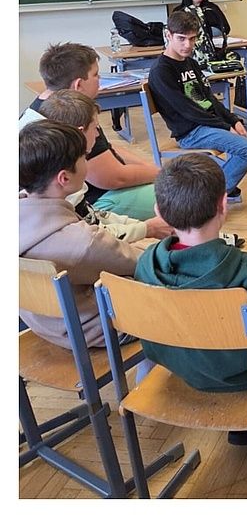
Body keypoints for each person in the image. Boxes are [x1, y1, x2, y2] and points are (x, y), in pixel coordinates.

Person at [134, 153, 247, 456]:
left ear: (159, 211)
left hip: (181, 368)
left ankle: (245, 432)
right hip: (241, 376)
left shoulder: (146, 264)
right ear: (223, 205)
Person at [19, 120, 142, 349]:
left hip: (44, 325)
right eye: (84, 158)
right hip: (96, 330)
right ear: (64, 178)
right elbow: (140, 264)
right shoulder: (83, 242)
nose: (87, 161)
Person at [148, 10, 247, 203]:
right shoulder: (161, 71)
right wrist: (226, 127)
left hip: (209, 123)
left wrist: (233, 120)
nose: (187, 45)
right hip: (191, 131)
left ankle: (225, 184)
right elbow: (187, 110)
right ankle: (208, 199)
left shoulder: (190, 62)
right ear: (168, 35)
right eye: (181, 39)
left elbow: (210, 100)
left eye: (192, 39)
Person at [29, 42, 158, 220]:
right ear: (79, 85)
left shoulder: (45, 105)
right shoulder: (66, 117)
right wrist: (160, 174)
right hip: (93, 202)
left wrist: (152, 169)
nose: (101, 80)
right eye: (96, 75)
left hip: (97, 195)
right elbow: (114, 178)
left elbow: (106, 149)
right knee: (184, 199)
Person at [39, 90, 172, 245]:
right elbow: (94, 237)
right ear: (80, 132)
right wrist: (148, 228)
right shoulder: (66, 181)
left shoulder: (61, 166)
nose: (97, 135)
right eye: (96, 128)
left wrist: (143, 227)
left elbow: (92, 217)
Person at [176, 0, 232, 68]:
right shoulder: (179, 11)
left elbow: (226, 28)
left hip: (209, 51)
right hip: (187, 52)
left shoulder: (211, 9)